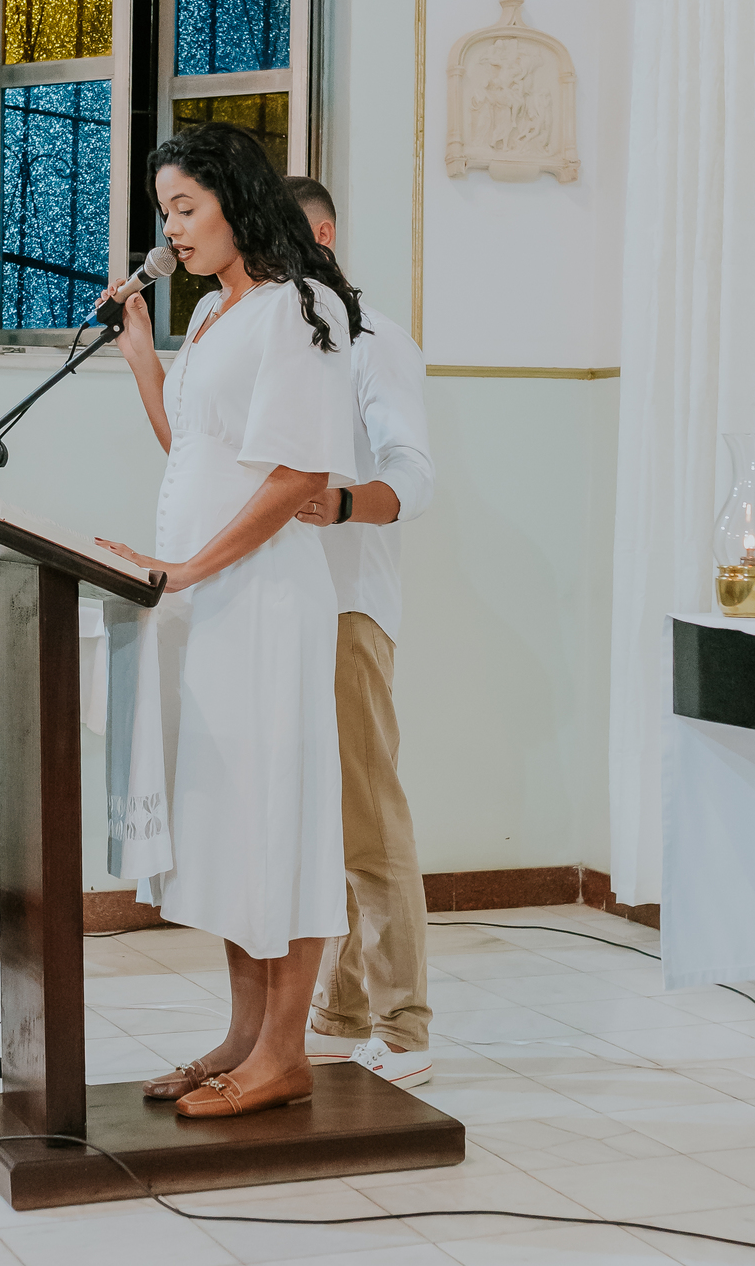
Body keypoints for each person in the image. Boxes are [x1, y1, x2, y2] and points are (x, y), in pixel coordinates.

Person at [95, 124, 361, 1121]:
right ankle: (243, 1038)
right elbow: (194, 450)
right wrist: (140, 356)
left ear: (234, 201)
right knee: (232, 825)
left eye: (184, 209)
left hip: (267, 603)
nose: (171, 230)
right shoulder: (210, 315)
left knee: (277, 822)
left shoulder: (302, 307)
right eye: (165, 213)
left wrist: (191, 566)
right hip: (209, 602)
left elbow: (298, 475)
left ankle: (285, 1054)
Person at [287, 175, 436, 1091]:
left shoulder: (377, 340)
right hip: (284, 602)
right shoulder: (283, 338)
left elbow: (414, 477)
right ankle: (343, 1007)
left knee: (369, 813)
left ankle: (407, 1024)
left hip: (347, 601)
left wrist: (339, 501)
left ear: (327, 232)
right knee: (322, 809)